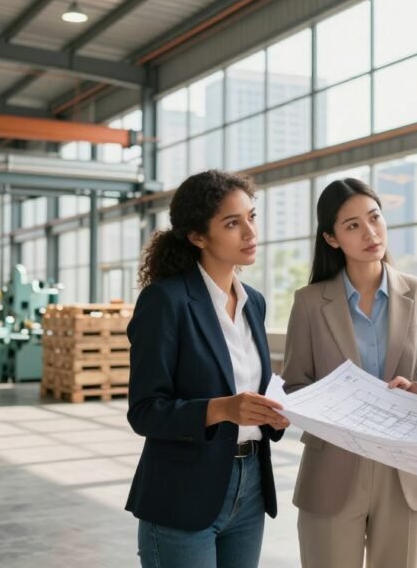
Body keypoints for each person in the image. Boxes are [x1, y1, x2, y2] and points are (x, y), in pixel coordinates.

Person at [125, 170, 290, 568]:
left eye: (251, 217)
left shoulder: (255, 302)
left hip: (250, 486)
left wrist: (273, 416)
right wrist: (222, 409)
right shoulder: (166, 302)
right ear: (198, 237)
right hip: (183, 492)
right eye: (232, 223)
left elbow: (253, 390)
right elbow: (145, 411)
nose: (250, 232)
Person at [282, 178, 417, 568]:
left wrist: (414, 391)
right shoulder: (308, 303)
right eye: (352, 225)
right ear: (332, 238)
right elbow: (294, 384)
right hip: (332, 469)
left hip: (405, 470)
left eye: (374, 218)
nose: (370, 233)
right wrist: (336, 400)